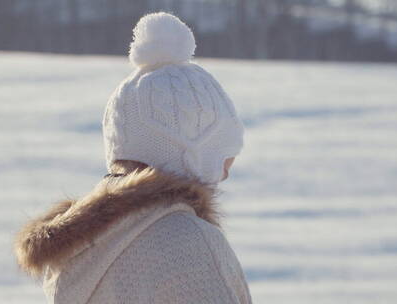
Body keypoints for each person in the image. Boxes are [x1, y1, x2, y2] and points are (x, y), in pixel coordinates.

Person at [15, 12, 251, 304]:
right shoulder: (189, 242)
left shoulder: (79, 252)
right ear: (189, 153)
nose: (226, 172)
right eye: (223, 155)